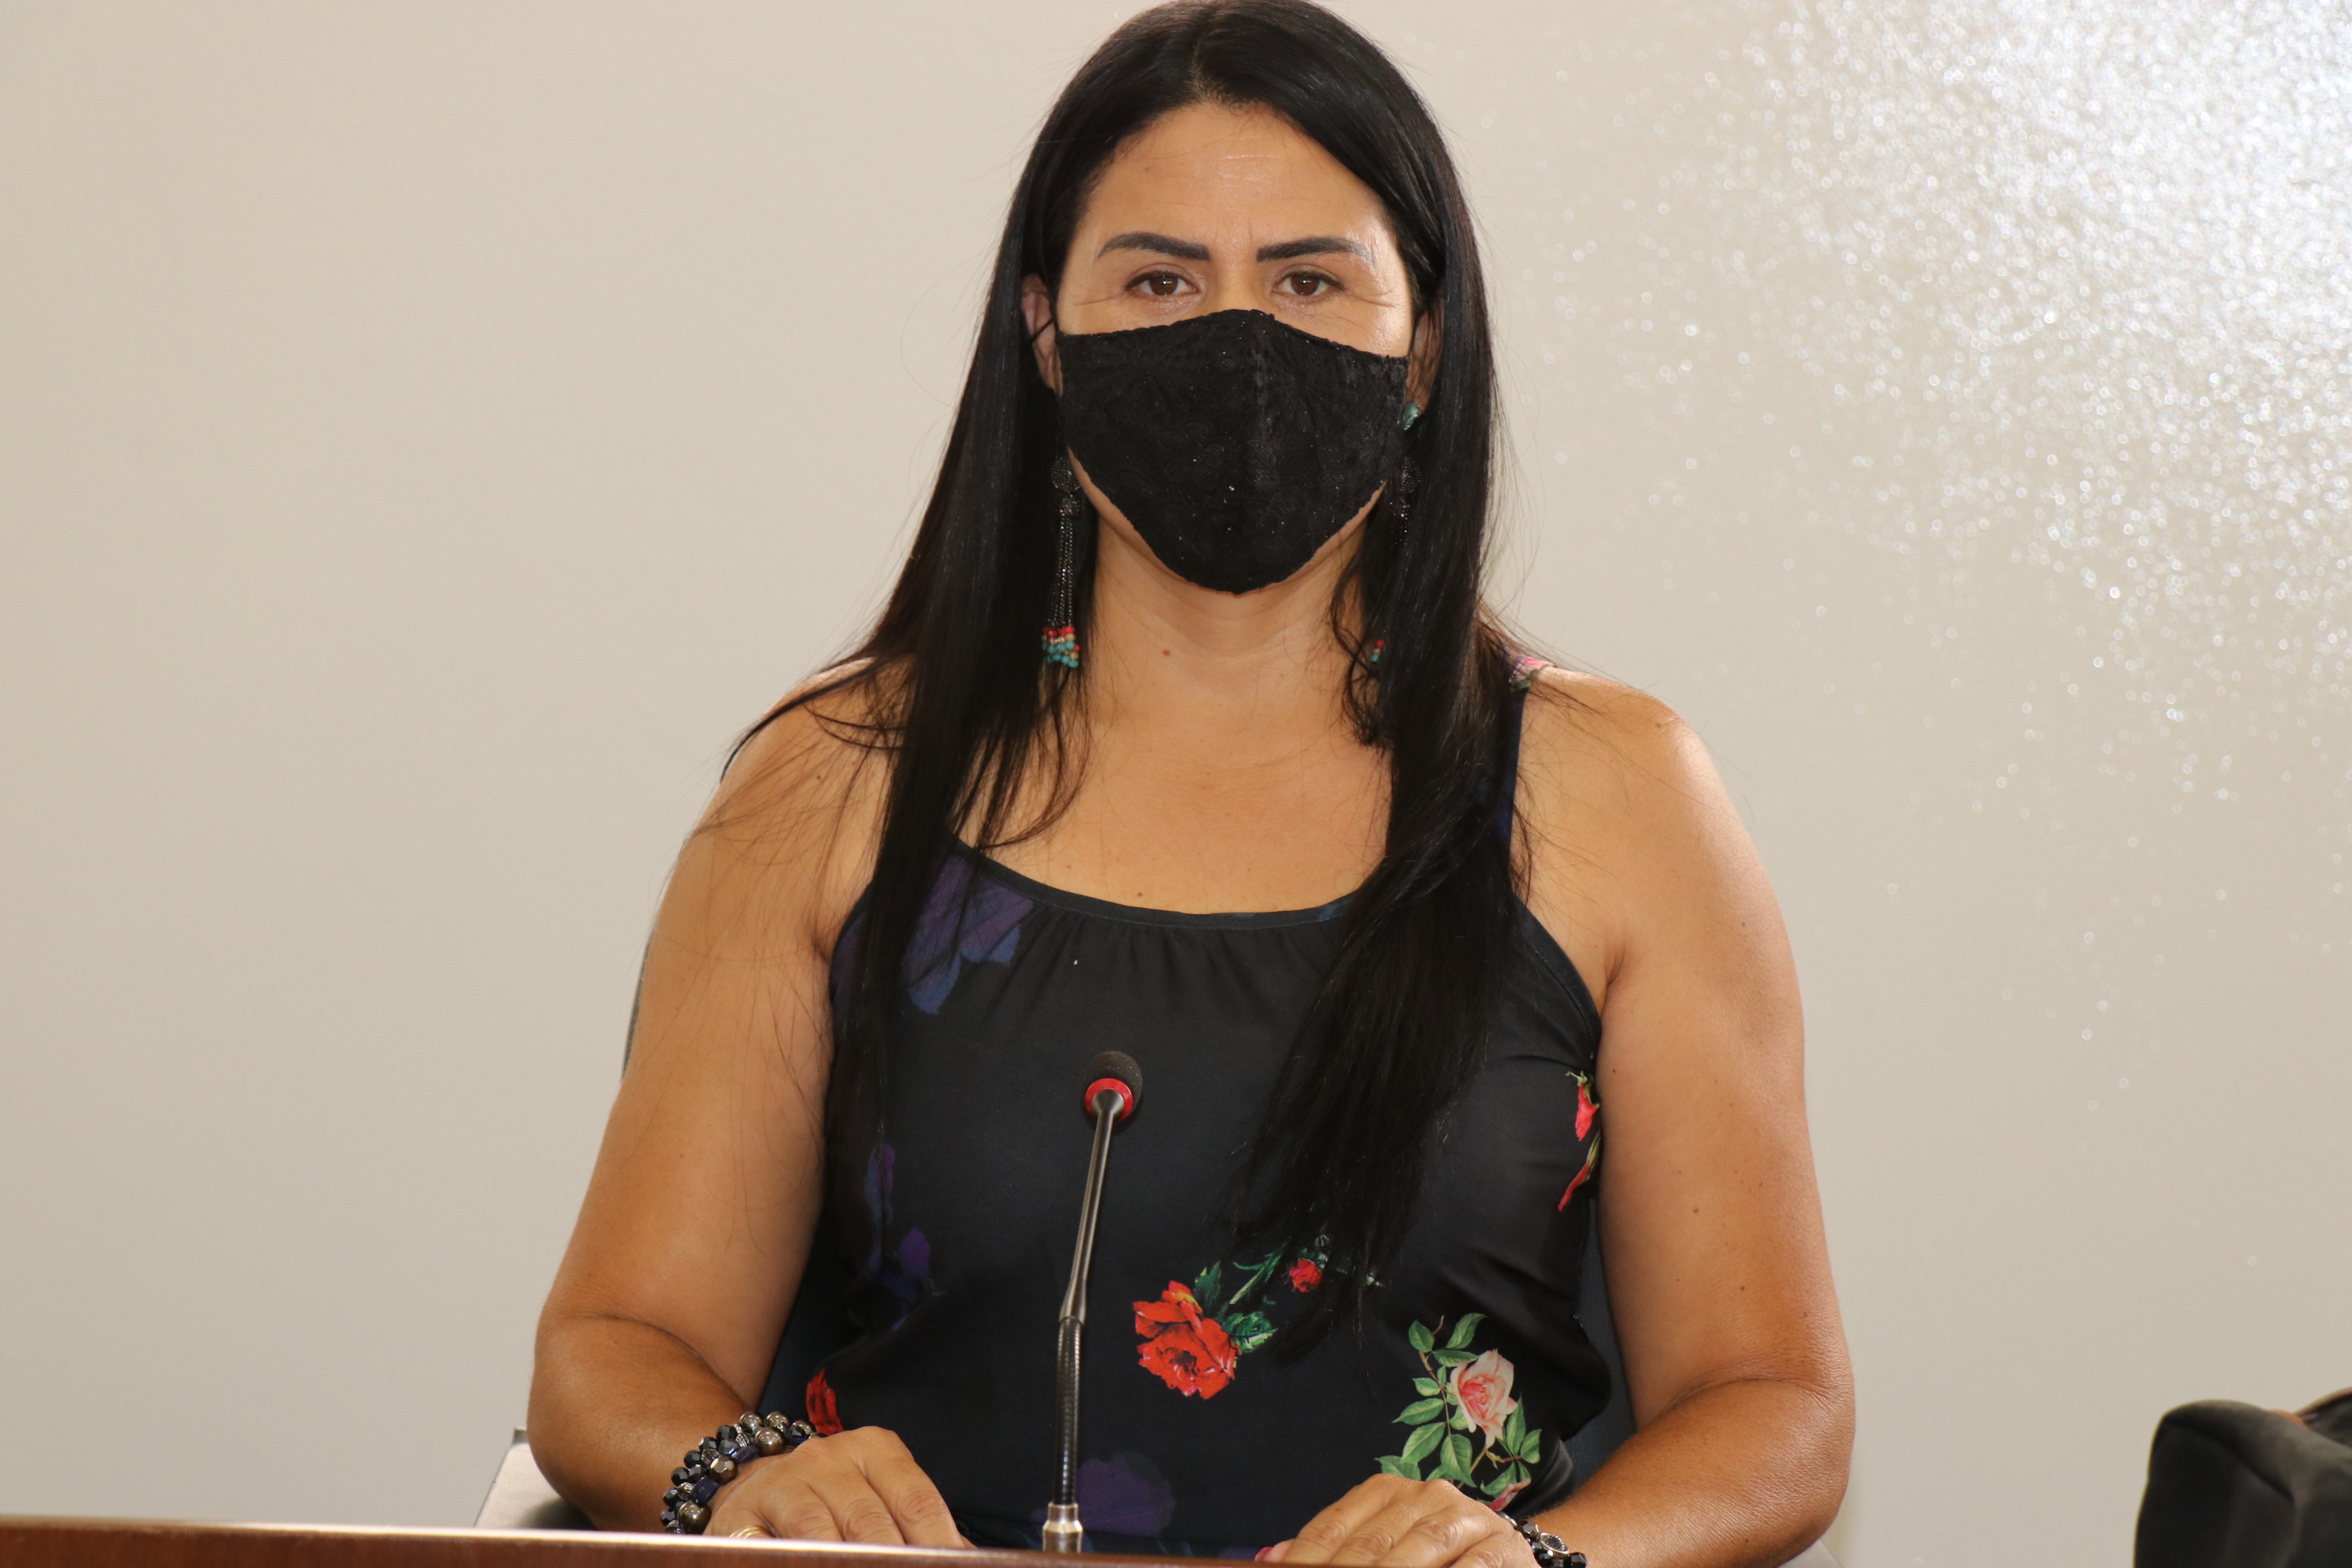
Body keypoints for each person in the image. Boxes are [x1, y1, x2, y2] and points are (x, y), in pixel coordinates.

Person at [528, 3, 1853, 1564]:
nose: (1239, 342)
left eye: (1308, 281)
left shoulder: (1618, 795)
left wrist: (1534, 1558)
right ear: (1046, 334)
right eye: (1160, 281)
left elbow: (1772, 1405)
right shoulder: (832, 785)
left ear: (1423, 345)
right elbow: (616, 1348)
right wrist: (742, 1472)